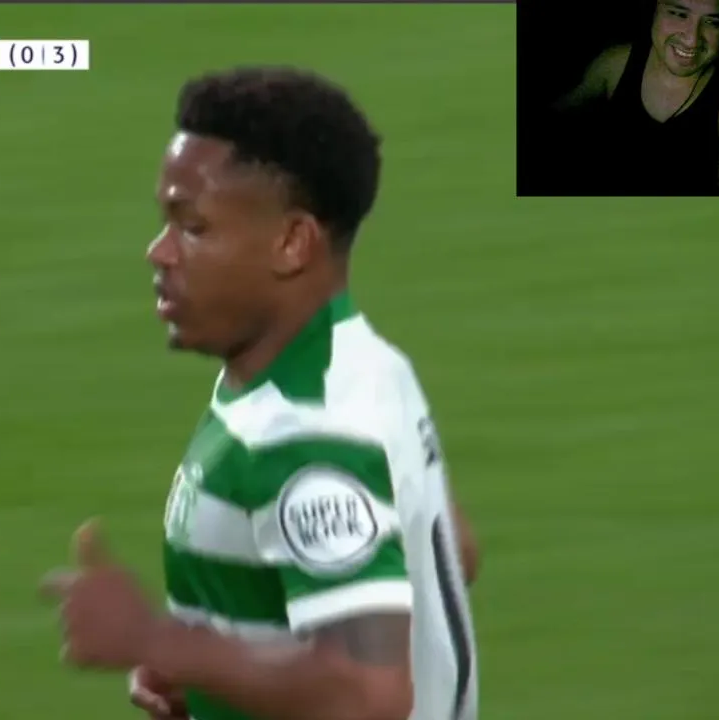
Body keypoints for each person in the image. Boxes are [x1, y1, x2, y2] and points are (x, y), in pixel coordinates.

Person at [40, 66, 480, 720]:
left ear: (291, 243)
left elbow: (369, 695)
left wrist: (155, 640)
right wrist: (217, 670)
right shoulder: (370, 365)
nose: (159, 253)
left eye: (193, 226)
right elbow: (445, 552)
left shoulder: (305, 429)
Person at [551, 0, 719, 193]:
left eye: (713, 22)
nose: (692, 40)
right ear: (653, 11)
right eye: (678, 14)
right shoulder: (615, 63)